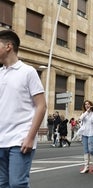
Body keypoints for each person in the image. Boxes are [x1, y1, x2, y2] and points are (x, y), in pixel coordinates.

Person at [0, 30, 46, 187]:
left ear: (8, 46)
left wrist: (30, 137)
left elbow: (41, 106)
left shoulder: (28, 72)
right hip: (1, 140)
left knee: (17, 184)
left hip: (19, 140)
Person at [78, 100, 93, 174]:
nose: (87, 105)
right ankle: (86, 167)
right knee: (85, 151)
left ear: (91, 105)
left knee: (91, 150)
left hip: (92, 133)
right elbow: (80, 119)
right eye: (85, 104)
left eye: (88, 104)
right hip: (85, 134)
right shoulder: (84, 113)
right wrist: (87, 112)